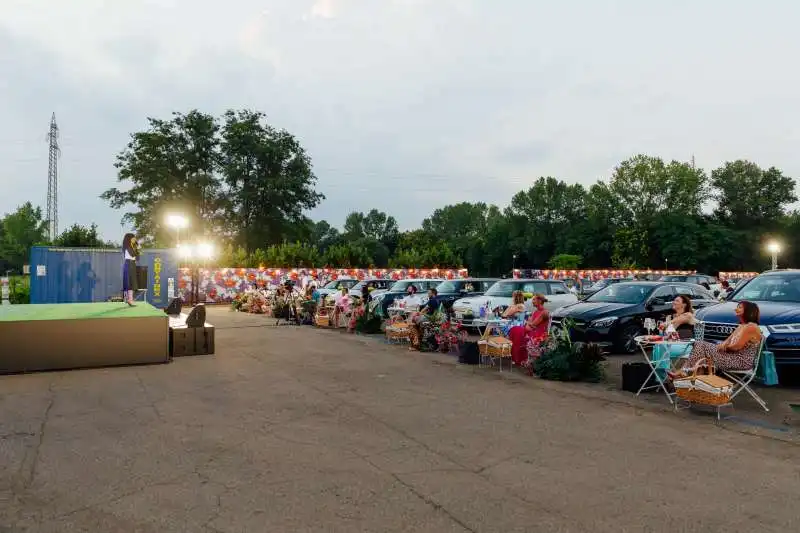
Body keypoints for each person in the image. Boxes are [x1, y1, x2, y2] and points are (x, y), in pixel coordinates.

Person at [669, 301, 762, 379]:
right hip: (730, 356)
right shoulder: (742, 326)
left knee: (701, 345)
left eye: (740, 307)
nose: (736, 309)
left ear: (748, 311)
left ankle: (685, 372)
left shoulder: (751, 327)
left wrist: (723, 347)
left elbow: (735, 347)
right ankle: (695, 384)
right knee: (702, 353)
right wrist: (722, 345)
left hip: (740, 361)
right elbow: (727, 341)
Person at [508, 294, 550, 367]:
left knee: (516, 330)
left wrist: (528, 324)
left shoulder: (544, 312)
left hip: (538, 334)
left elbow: (533, 324)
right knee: (514, 329)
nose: (532, 301)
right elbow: (529, 323)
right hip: (531, 330)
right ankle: (516, 357)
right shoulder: (535, 311)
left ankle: (518, 357)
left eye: (534, 299)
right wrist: (528, 324)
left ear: (539, 301)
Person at [121, 233, 140, 306]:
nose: (135, 239)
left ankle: (129, 299)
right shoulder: (127, 246)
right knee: (129, 282)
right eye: (133, 238)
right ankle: (128, 299)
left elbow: (137, 258)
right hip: (128, 264)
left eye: (135, 238)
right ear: (129, 239)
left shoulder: (133, 246)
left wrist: (137, 249)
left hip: (132, 264)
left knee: (132, 283)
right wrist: (137, 249)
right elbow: (132, 254)